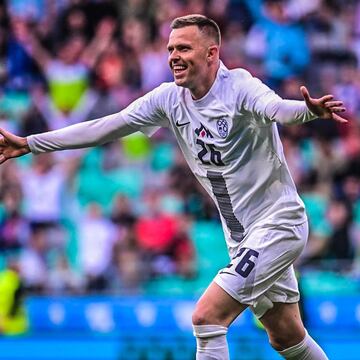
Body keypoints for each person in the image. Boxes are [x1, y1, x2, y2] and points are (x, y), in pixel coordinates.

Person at [0, 14, 347, 360]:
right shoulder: (169, 99)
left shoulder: (239, 86)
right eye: (170, 49)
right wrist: (31, 143)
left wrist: (307, 110)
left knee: (207, 318)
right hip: (241, 236)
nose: (173, 56)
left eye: (184, 48)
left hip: (278, 224)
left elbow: (276, 108)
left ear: (212, 53)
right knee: (285, 337)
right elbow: (107, 126)